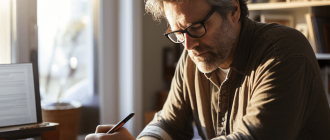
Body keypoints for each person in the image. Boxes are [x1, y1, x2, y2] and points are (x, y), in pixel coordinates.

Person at [86, 0, 330, 139]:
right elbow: (168, 124)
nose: (189, 45)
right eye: (178, 32)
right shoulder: (192, 56)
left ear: (233, 10)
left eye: (197, 27)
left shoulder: (283, 52)